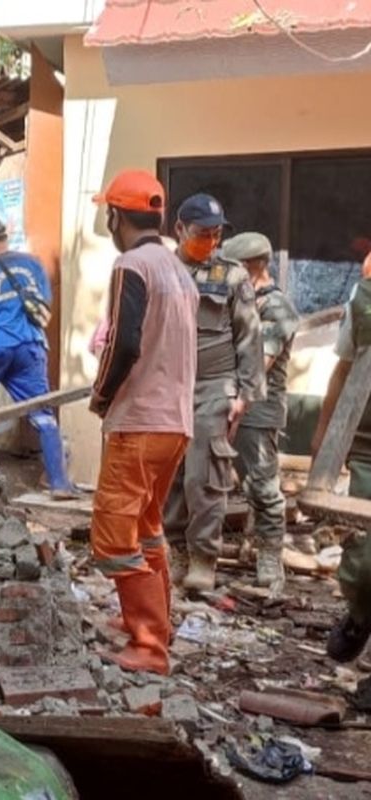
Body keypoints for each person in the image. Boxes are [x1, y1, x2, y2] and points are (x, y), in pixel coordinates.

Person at [88, 170, 198, 675]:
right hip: (175, 422)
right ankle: (157, 622)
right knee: (147, 527)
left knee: (113, 535)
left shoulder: (131, 265)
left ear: (115, 216)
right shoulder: (178, 270)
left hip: (139, 419)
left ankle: (150, 646)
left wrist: (102, 395)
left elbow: (123, 343)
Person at [162, 194, 265, 593]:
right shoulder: (163, 270)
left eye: (216, 234)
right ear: (179, 230)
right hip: (168, 387)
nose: (210, 240)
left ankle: (204, 557)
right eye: (202, 233)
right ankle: (176, 552)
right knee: (171, 474)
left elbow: (249, 337)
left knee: (204, 475)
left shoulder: (232, 276)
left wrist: (245, 393)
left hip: (214, 386)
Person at [0, 215, 75, 497]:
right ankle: (59, 482)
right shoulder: (34, 263)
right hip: (31, 347)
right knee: (43, 414)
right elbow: (45, 304)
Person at [220, 232, 299, 594]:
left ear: (254, 268)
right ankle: (248, 546)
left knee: (262, 486)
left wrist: (235, 404)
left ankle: (270, 557)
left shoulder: (277, 308)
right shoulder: (238, 301)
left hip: (256, 410)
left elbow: (259, 364)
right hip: (225, 403)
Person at [312, 253, 371, 662]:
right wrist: (325, 433)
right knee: (367, 560)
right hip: (367, 443)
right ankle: (361, 613)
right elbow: (344, 366)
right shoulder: (364, 299)